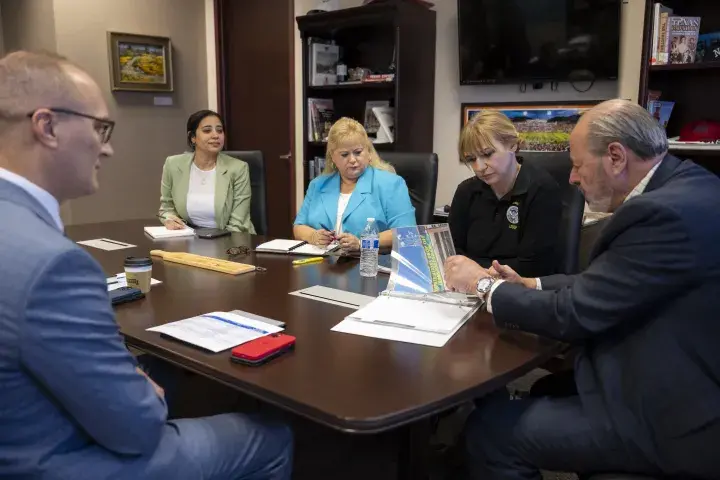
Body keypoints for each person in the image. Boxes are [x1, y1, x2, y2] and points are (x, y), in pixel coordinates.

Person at [0, 51, 291, 479]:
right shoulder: (56, 265)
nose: (109, 147)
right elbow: (136, 429)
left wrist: (131, 377)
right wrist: (142, 392)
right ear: (46, 126)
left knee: (162, 370)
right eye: (101, 127)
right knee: (271, 435)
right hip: (53, 458)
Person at [444, 99, 720, 479]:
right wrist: (531, 284)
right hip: (670, 374)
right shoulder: (688, 185)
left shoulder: (660, 215)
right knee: (536, 393)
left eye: (577, 165)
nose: (572, 179)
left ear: (616, 157)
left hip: (668, 417)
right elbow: (607, 282)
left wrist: (483, 285)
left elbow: (575, 313)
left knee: (491, 433)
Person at [449, 110, 562, 277]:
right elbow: (452, 250)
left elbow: (535, 265)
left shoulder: (542, 189)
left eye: (487, 154)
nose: (479, 167)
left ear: (513, 145)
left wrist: (476, 270)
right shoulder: (466, 191)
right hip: (468, 286)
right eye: (471, 159)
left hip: (521, 288)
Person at [293, 117, 416, 253]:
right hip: (323, 265)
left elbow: (406, 233)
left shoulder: (391, 184)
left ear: (368, 151)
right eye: (344, 154)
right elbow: (299, 227)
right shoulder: (318, 185)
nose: (352, 160)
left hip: (370, 265)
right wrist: (313, 236)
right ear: (333, 157)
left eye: (358, 152)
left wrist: (362, 243)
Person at [158, 109, 256, 233]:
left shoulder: (238, 168)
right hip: (189, 238)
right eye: (207, 130)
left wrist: (213, 244)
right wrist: (169, 219)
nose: (216, 135)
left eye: (219, 130)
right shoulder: (173, 165)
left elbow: (238, 223)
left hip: (230, 241)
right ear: (193, 137)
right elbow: (166, 208)